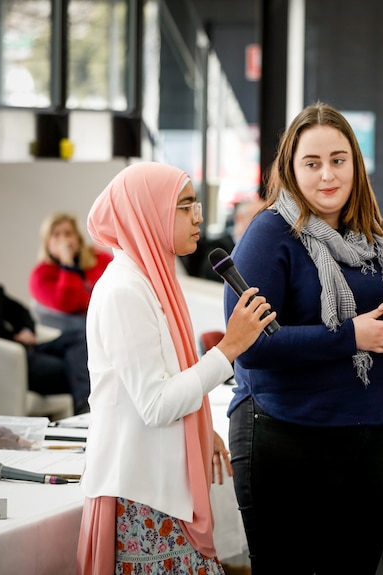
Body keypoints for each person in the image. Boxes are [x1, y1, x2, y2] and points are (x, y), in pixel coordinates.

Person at [224, 101, 383, 574]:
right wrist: (350, 337)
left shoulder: (381, 236)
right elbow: (250, 347)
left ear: (355, 165)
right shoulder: (269, 235)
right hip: (286, 436)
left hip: (375, 436)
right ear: (291, 169)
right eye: (312, 163)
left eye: (338, 161)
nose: (327, 176)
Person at [76, 162, 276, 575]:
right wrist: (230, 347)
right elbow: (155, 404)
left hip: (157, 488)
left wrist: (201, 426)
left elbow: (167, 378)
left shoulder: (152, 280)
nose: (199, 216)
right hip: (141, 493)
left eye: (195, 204)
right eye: (185, 206)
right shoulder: (123, 291)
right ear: (147, 213)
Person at [0, 224, 91, 413]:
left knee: (80, 335)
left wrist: (27, 330)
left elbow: (20, 312)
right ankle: (86, 409)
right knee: (75, 365)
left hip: (22, 347)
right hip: (3, 358)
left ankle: (85, 407)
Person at [29, 212, 112, 333]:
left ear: (78, 238)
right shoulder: (40, 275)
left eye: (68, 234)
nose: (64, 240)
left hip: (109, 315)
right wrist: (67, 264)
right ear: (47, 242)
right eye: (56, 235)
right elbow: (67, 304)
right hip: (76, 332)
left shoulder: (98, 257)